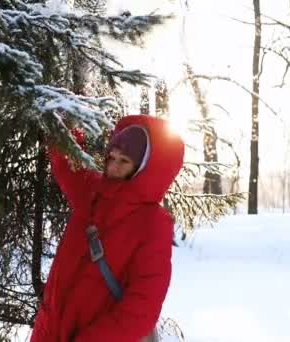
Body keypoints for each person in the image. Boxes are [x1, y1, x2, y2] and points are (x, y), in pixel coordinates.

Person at [30, 114, 185, 342]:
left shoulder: (153, 223)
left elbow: (141, 309)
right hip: (48, 333)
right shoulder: (93, 191)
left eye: (124, 161)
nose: (113, 167)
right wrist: (67, 125)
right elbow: (67, 164)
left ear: (143, 167)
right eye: (111, 157)